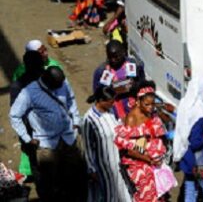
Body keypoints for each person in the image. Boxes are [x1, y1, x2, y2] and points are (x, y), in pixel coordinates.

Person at [9, 66, 87, 201]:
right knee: (50, 181)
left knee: (75, 175)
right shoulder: (29, 93)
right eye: (58, 85)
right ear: (48, 81)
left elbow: (71, 99)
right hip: (46, 144)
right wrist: (27, 138)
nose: (61, 86)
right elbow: (14, 116)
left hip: (68, 138)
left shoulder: (62, 82)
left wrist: (75, 120)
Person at [114, 81, 167, 202]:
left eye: (153, 104)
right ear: (138, 102)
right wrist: (149, 158)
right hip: (139, 164)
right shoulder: (132, 118)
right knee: (146, 196)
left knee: (160, 193)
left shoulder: (151, 113)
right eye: (147, 104)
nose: (150, 107)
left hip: (154, 161)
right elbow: (129, 148)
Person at [82, 86, 131, 202]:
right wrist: (91, 169)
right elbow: (88, 146)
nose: (114, 104)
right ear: (101, 101)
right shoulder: (89, 119)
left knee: (124, 193)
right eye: (111, 102)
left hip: (119, 162)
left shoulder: (111, 112)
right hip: (104, 166)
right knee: (110, 195)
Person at [173, 77, 203, 202]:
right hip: (200, 159)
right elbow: (196, 142)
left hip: (186, 155)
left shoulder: (185, 104)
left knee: (190, 189)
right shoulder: (200, 113)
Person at [9, 51, 46, 178]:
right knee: (38, 168)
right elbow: (16, 115)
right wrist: (28, 139)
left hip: (47, 133)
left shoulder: (46, 80)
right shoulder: (19, 86)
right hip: (33, 134)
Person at [93, 40, 145, 120]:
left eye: (116, 56)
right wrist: (121, 87)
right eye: (110, 57)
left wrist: (135, 86)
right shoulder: (101, 71)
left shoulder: (134, 64)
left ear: (123, 52)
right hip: (114, 113)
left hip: (134, 109)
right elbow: (98, 95)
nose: (113, 60)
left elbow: (142, 84)